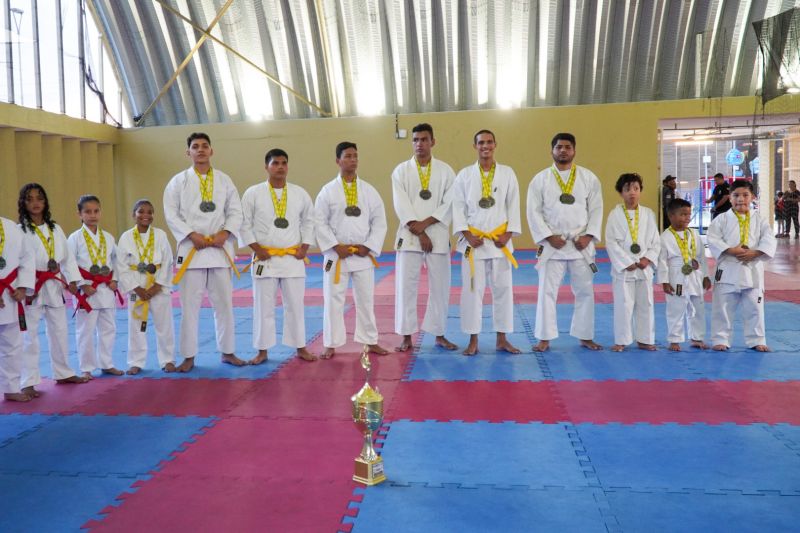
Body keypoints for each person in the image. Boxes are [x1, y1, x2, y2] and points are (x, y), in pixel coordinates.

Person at [163, 132, 244, 372]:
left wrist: (226, 233)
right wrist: (191, 234)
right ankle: (188, 356)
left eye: (204, 146)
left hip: (220, 250)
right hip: (192, 251)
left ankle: (228, 351)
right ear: (187, 152)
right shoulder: (178, 182)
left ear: (211, 151)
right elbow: (171, 213)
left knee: (225, 306)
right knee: (189, 308)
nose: (200, 150)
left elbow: (235, 211)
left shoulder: (224, 180)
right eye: (195, 146)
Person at [527, 133, 603, 352]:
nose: (563, 150)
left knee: (585, 291)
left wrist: (589, 236)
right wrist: (548, 236)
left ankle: (585, 335)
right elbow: (533, 212)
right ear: (551, 150)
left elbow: (596, 209)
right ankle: (544, 337)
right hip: (553, 245)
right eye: (559, 147)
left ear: (574, 150)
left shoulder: (588, 178)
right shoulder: (540, 179)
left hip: (581, 244)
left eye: (567, 147)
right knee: (546, 292)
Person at [240, 148, 317, 363]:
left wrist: (305, 247)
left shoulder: (300, 193)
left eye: (284, 163)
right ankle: (262, 351)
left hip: (293, 258)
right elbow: (244, 223)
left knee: (295, 305)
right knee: (263, 307)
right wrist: (257, 248)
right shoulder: (253, 193)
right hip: (265, 258)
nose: (280, 167)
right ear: (267, 167)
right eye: (275, 163)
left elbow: (310, 221)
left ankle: (300, 347)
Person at [315, 142, 388, 359]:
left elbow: (379, 221)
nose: (353, 160)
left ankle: (370, 341)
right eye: (348, 156)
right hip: (336, 255)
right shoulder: (327, 191)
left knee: (366, 298)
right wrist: (335, 246)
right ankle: (330, 343)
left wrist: (369, 246)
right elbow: (319, 222)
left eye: (355, 156)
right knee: (333, 299)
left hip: (362, 253)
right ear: (338, 161)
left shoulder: (369, 190)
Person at [452, 129, 521, 356]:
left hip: (500, 242)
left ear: (495, 144)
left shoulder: (508, 173)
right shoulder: (464, 175)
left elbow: (513, 204)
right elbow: (458, 207)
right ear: (475, 146)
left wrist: (509, 234)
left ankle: (502, 339)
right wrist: (466, 235)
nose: (485, 146)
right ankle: (473, 340)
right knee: (472, 291)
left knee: (503, 290)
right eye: (481, 142)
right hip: (474, 242)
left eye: (489, 142)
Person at [391, 123, 457, 352]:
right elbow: (401, 204)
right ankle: (407, 335)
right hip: (409, 237)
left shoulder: (446, 171)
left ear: (433, 142)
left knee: (440, 287)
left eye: (424, 139)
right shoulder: (401, 171)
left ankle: (439, 334)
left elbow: (449, 203)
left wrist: (425, 226)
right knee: (405, 287)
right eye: (416, 139)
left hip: (436, 235)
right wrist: (417, 230)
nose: (419, 144)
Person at [18, 184, 87, 398]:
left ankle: (63, 372)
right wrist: (24, 286)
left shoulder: (55, 228)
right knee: (29, 336)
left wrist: (74, 280)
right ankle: (27, 381)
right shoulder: (20, 230)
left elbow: (67, 258)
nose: (35, 202)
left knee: (59, 331)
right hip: (32, 287)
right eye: (30, 199)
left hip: (54, 284)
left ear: (45, 201)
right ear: (23, 204)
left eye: (39, 198)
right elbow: (16, 261)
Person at [707, 179, 776, 352]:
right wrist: (730, 250)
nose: (741, 199)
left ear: (752, 197)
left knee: (755, 307)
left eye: (745, 195)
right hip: (728, 268)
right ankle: (720, 339)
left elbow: (768, 239)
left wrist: (756, 253)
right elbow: (713, 239)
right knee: (722, 307)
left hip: (752, 268)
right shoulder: (721, 219)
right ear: (730, 198)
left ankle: (757, 339)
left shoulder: (760, 220)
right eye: (736, 195)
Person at [67, 195, 124, 379]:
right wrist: (82, 285)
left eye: (96, 211)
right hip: (88, 291)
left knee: (108, 328)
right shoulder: (74, 239)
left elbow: (117, 260)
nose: (92, 215)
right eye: (87, 212)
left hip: (106, 289)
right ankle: (86, 367)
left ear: (100, 212)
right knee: (85, 331)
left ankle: (107, 363)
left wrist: (115, 279)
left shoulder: (108, 237)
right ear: (79, 214)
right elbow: (69, 264)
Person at [116, 199, 176, 374]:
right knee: (136, 325)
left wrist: (156, 286)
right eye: (141, 211)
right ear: (133, 214)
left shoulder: (160, 235)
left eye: (150, 212)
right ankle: (136, 361)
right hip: (137, 288)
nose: (146, 215)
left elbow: (167, 262)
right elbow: (121, 266)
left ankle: (168, 360)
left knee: (164, 325)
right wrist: (137, 288)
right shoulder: (126, 237)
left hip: (157, 286)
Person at [604, 173, 660, 352]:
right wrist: (625, 261)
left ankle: (645, 339)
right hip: (624, 269)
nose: (632, 193)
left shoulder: (649, 214)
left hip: (644, 267)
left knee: (646, 304)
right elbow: (611, 241)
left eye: (636, 189)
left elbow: (656, 241)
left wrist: (647, 258)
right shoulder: (614, 215)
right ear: (621, 193)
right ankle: (622, 340)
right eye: (627, 189)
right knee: (623, 305)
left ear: (640, 191)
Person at [657, 198, 711, 351]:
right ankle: (674, 339)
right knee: (676, 308)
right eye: (683, 214)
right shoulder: (665, 237)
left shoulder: (694, 234)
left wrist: (705, 275)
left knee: (698, 307)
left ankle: (697, 338)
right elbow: (661, 261)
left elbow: (701, 257)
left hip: (695, 275)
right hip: (676, 276)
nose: (687, 217)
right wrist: (664, 281)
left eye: (689, 214)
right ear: (671, 216)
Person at [0, 213, 35, 401]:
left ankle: (11, 387)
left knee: (12, 343)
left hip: (10, 293)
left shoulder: (12, 228)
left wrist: (23, 286)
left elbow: (27, 259)